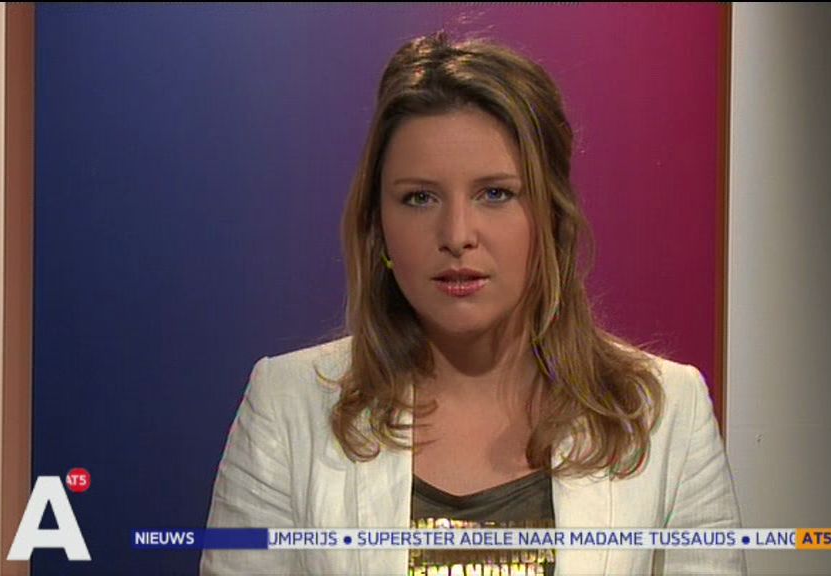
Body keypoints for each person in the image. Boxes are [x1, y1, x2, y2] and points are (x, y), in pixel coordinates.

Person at [201, 30, 746, 576]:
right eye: (420, 198)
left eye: (495, 194)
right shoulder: (287, 408)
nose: (457, 234)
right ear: (378, 225)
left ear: (552, 216)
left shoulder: (665, 414)